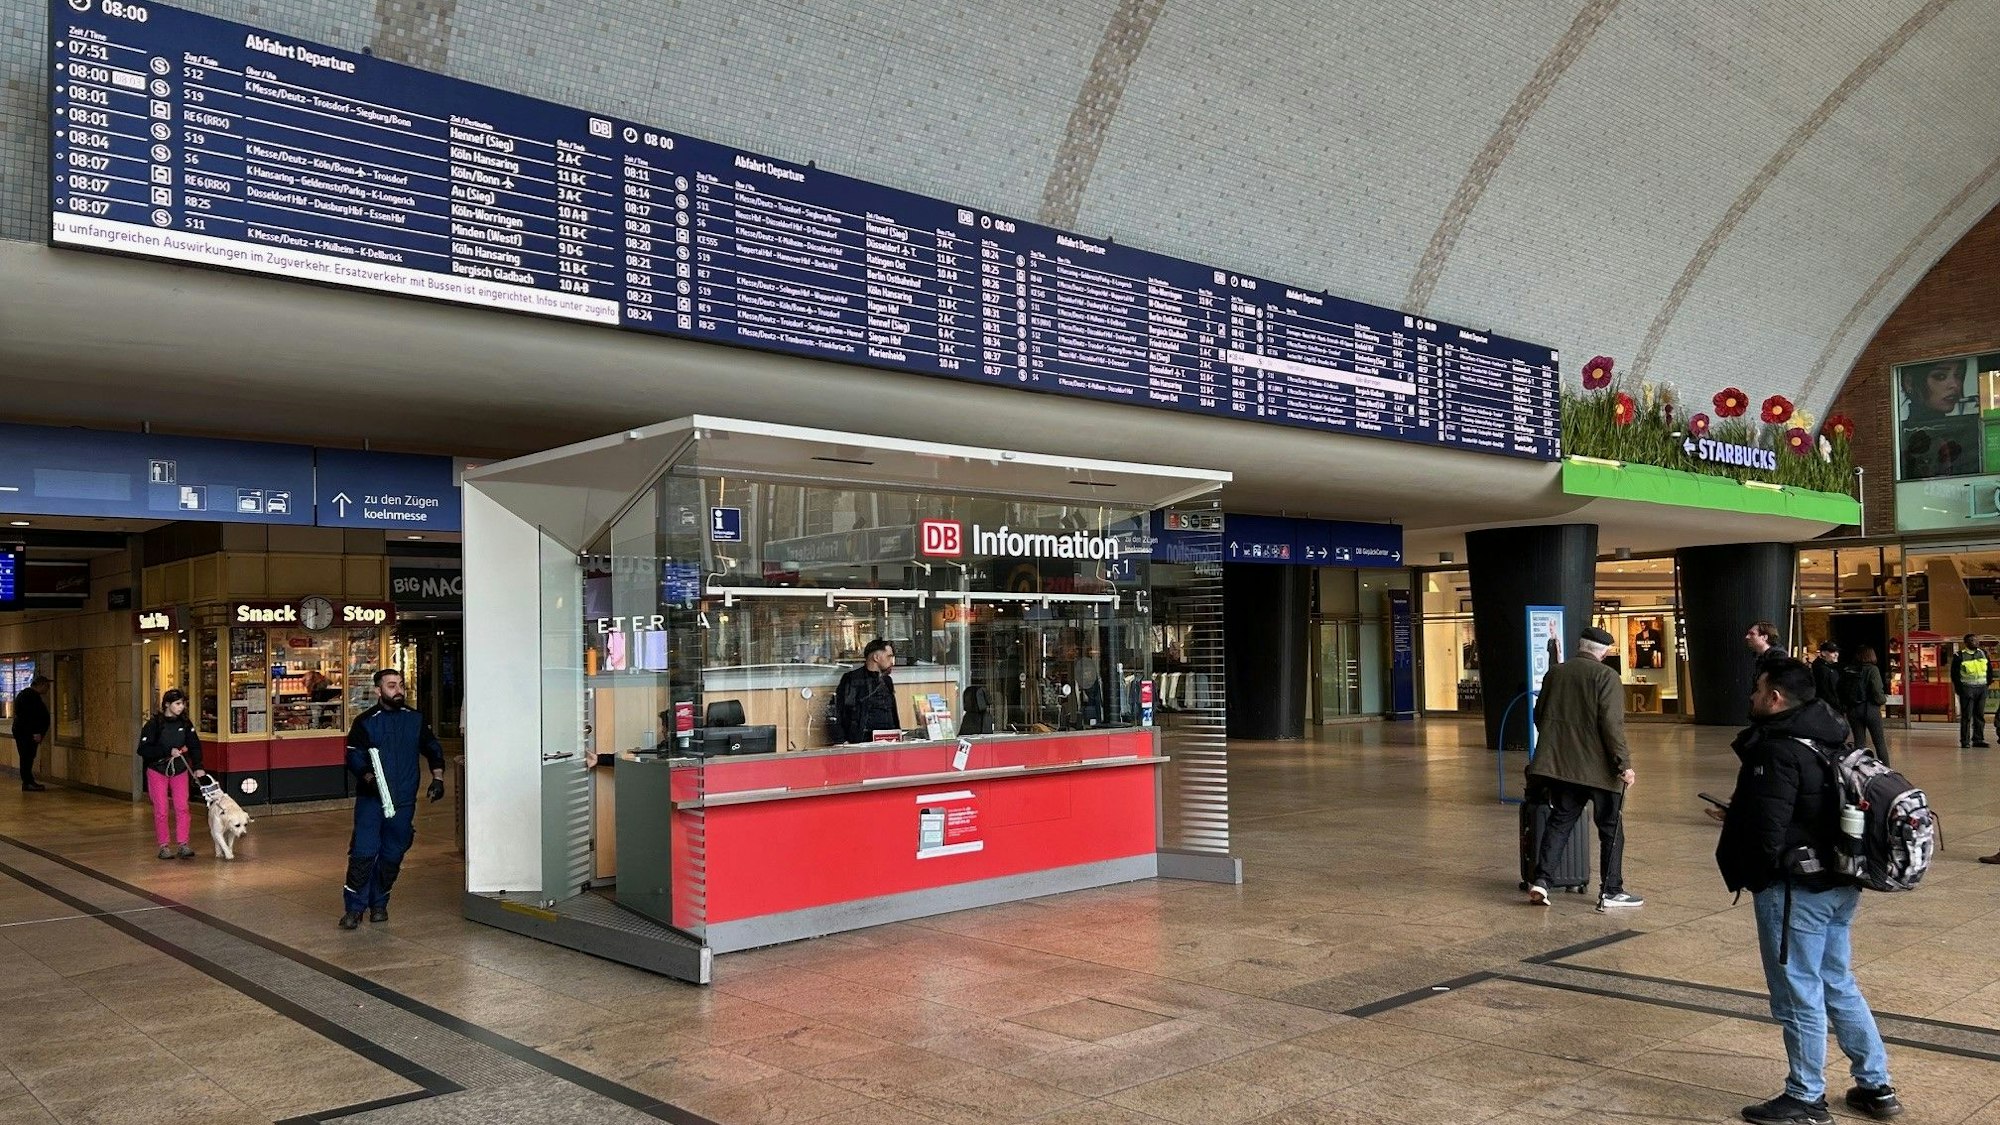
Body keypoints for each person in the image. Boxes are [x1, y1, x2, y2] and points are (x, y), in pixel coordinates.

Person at [1717, 658, 1901, 1124]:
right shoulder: (1831, 734)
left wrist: (1753, 864)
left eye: (1758, 689)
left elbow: (1767, 831)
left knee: (1797, 992)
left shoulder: (1777, 749)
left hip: (1796, 889)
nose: (1753, 697)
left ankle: (1805, 1098)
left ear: (1776, 697)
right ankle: (1875, 1087)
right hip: (1840, 880)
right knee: (1837, 982)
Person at [1525, 625, 1641, 911]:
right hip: (1600, 770)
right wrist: (1623, 765)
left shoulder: (1556, 674)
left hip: (1562, 767)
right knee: (1611, 829)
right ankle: (1611, 890)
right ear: (1603, 652)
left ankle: (1541, 881)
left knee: (1560, 822)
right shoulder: (1607, 676)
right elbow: (1612, 725)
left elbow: (1539, 715)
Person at [340, 669, 445, 930]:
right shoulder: (365, 722)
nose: (398, 690)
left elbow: (432, 749)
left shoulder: (415, 719)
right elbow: (354, 755)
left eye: (400, 685)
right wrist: (368, 778)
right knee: (363, 854)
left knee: (392, 855)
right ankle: (354, 909)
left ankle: (379, 904)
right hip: (371, 802)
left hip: (404, 801)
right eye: (391, 686)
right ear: (378, 691)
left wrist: (438, 778)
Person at [136, 689, 207, 859]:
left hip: (180, 769)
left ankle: (183, 843)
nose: (181, 707)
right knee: (161, 809)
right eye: (177, 703)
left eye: (182, 703)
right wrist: (167, 751)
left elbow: (195, 746)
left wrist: (198, 766)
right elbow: (143, 749)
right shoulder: (153, 724)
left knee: (182, 807)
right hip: (158, 770)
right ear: (167, 704)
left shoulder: (185, 724)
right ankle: (164, 846)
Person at [834, 639, 900, 743]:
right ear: (876, 657)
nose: (892, 661)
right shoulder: (853, 679)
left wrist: (897, 734)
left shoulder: (887, 680)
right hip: (863, 740)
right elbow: (839, 711)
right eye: (889, 656)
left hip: (889, 738)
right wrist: (841, 741)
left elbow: (892, 712)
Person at [1846, 647, 1889, 764]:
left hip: (1853, 710)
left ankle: (1860, 769)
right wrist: (1882, 700)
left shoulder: (1849, 670)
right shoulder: (1872, 670)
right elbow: (1877, 691)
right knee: (1879, 743)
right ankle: (1886, 770)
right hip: (1870, 709)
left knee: (1859, 743)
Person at [10, 673, 50, 791]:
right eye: (46, 686)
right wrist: (36, 732)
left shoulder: (29, 696)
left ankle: (28, 781)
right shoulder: (29, 697)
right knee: (26, 757)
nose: (48, 689)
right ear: (40, 685)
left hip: (26, 733)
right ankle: (27, 782)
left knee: (28, 757)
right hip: (27, 734)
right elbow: (29, 718)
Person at [1950, 633, 1989, 748]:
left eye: (1976, 640)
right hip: (1967, 689)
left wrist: (1987, 685)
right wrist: (1959, 689)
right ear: (1966, 643)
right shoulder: (1959, 656)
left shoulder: (1983, 653)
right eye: (1972, 640)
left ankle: (1978, 739)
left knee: (1979, 715)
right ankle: (1965, 741)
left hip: (1981, 688)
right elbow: (1955, 674)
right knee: (1967, 716)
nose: (1975, 642)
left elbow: (1989, 670)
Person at [1746, 622, 1787, 690]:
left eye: (1752, 634)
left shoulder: (1778, 658)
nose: (1747, 637)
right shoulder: (1762, 657)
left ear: (1764, 637)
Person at [1811, 642, 1843, 715]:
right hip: (1828, 710)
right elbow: (1827, 691)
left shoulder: (1828, 668)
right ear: (1823, 653)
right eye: (1832, 651)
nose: (1836, 654)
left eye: (1837, 651)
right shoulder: (1822, 669)